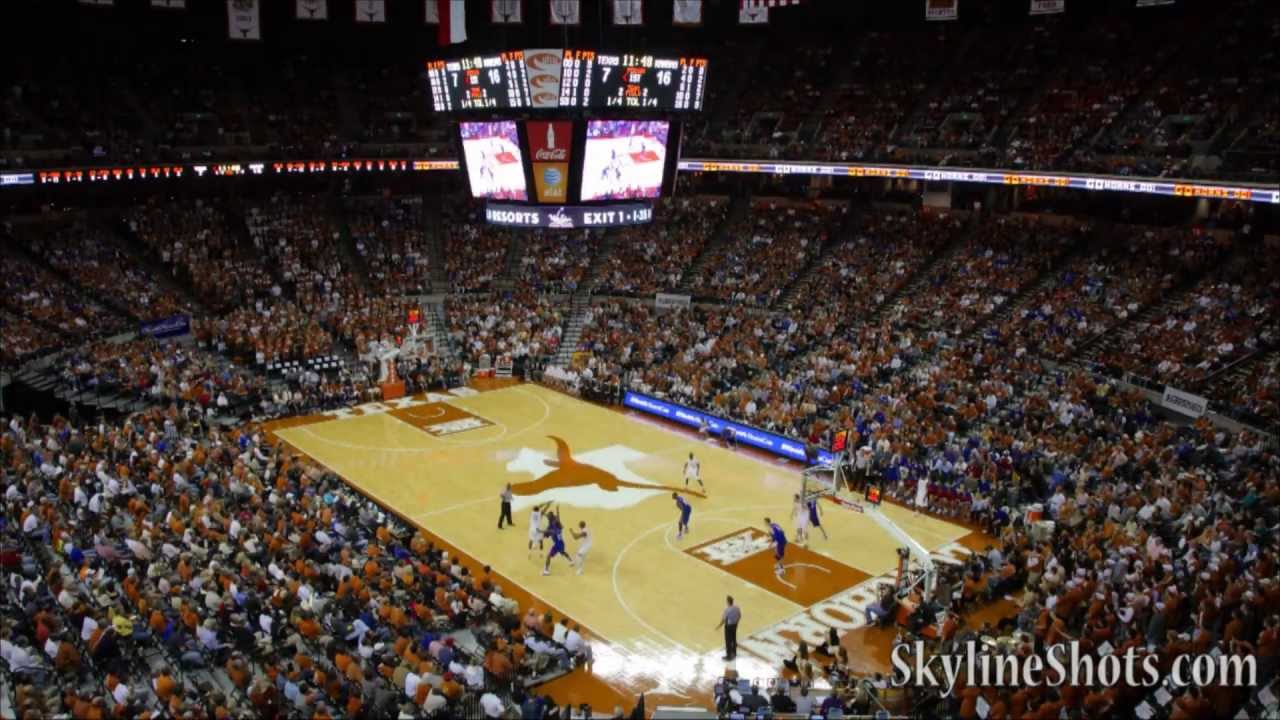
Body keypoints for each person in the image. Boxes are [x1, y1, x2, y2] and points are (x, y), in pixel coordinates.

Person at [714, 595, 741, 661]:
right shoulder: (737, 608)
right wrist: (736, 622)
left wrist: (719, 626)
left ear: (728, 602)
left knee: (728, 641)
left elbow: (723, 620)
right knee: (733, 639)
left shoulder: (727, 610)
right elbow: (739, 615)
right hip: (735, 625)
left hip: (728, 626)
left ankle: (729, 656)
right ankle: (734, 652)